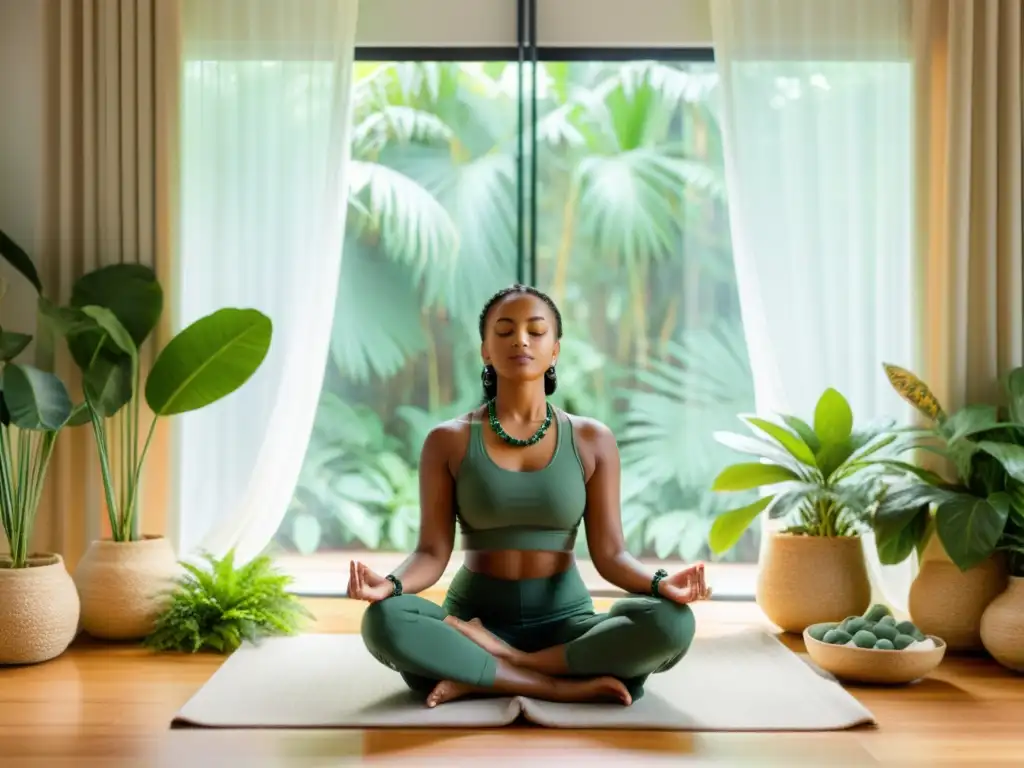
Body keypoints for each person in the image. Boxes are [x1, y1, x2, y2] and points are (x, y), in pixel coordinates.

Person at [348, 284, 711, 709]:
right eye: (504, 331)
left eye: (535, 331)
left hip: (565, 623)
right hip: (472, 621)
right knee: (385, 621)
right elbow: (431, 552)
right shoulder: (447, 441)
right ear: (485, 350)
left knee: (672, 624)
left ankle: (492, 670)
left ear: (554, 350)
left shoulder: (593, 440)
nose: (521, 339)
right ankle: (554, 683)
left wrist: (660, 583)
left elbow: (611, 554)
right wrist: (389, 585)